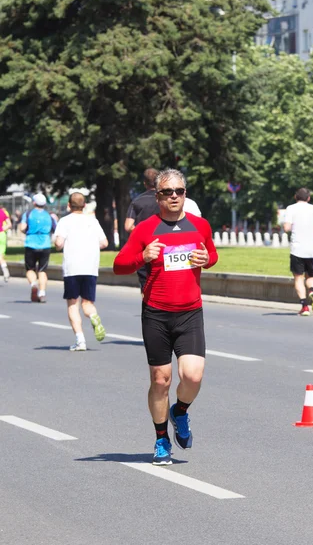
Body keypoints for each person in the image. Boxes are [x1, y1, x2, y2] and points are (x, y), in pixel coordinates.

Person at [114, 168, 218, 465]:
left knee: (192, 375)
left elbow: (211, 255)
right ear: (157, 196)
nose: (174, 196)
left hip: (189, 312)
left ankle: (180, 412)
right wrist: (142, 257)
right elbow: (120, 265)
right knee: (161, 380)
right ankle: (161, 440)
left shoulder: (200, 225)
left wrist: (206, 259)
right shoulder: (146, 229)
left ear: (185, 194)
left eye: (179, 191)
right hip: (157, 313)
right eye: (167, 192)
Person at [54, 192, 108, 352]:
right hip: (90, 267)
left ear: (69, 205)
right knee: (87, 303)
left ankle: (80, 340)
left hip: (72, 267)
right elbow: (104, 243)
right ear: (84, 206)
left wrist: (58, 243)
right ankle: (93, 316)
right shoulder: (92, 221)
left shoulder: (65, 221)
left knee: (72, 304)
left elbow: (59, 243)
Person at [283, 188, 313, 317]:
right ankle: (312, 291)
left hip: (297, 249)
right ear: (308, 198)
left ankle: (304, 306)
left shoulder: (291, 209)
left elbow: (286, 228)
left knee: (298, 278)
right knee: (311, 276)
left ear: (296, 197)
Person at [124, 168, 160, 291]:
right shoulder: (165, 199)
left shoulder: (137, 201)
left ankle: (148, 308)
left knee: (146, 283)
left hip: (143, 248)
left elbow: (128, 226)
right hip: (164, 244)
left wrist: (142, 234)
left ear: (144, 183)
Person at [20, 193, 55, 303]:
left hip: (31, 243)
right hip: (45, 244)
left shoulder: (28, 213)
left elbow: (22, 227)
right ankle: (42, 292)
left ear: (34, 203)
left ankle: (34, 284)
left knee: (30, 269)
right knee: (42, 270)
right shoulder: (49, 215)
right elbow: (55, 229)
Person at [0, 204, 11, 282]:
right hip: (2, 234)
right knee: (0, 255)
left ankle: (5, 271)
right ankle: (5, 269)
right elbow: (9, 224)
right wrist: (2, 228)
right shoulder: (2, 212)